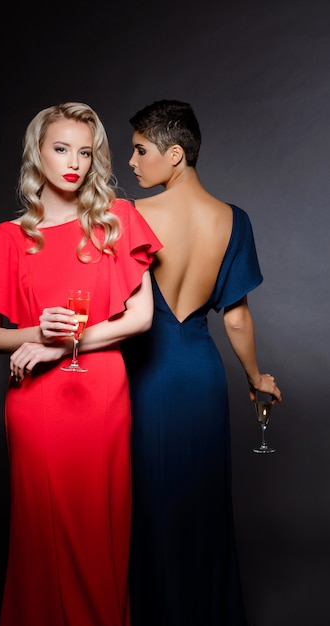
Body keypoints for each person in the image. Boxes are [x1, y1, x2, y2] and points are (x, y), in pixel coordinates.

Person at [0, 102, 162, 626]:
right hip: (36, 405)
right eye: (60, 148)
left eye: (85, 151)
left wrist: (60, 347)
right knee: (41, 532)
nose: (74, 162)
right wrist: (37, 334)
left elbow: (140, 319)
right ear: (37, 153)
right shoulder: (8, 239)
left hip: (101, 395)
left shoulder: (117, 218)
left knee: (100, 528)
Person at [120, 99, 283, 626]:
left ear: (175, 154)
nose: (132, 162)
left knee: (149, 506)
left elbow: (113, 306)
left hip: (147, 374)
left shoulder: (131, 216)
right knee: (202, 508)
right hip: (203, 375)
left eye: (141, 150)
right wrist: (256, 379)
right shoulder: (234, 220)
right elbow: (235, 319)